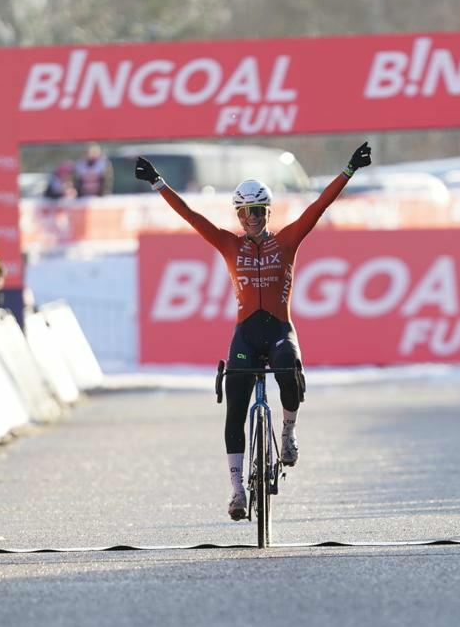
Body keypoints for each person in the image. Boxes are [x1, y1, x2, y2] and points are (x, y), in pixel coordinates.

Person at [135, 142, 373, 520]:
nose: (252, 219)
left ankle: (289, 432)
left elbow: (318, 208)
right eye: (245, 213)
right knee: (235, 407)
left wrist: (349, 169)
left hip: (279, 329)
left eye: (259, 212)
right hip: (245, 334)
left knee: (289, 368)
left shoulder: (287, 241)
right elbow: (192, 216)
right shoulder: (228, 244)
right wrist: (158, 183)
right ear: (238, 214)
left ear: (267, 212)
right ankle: (236, 491)